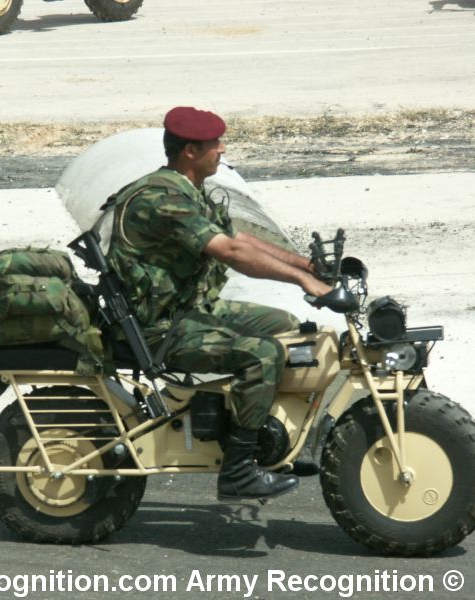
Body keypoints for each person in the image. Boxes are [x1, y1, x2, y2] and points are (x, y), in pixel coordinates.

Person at [106, 106, 332, 500]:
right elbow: (228, 251)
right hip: (159, 328)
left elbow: (240, 239)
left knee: (285, 326)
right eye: (215, 144)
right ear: (190, 151)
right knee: (261, 355)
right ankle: (239, 470)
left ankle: (266, 439)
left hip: (188, 311)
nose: (222, 149)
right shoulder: (161, 198)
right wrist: (302, 280)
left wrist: (307, 265)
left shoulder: (187, 190)